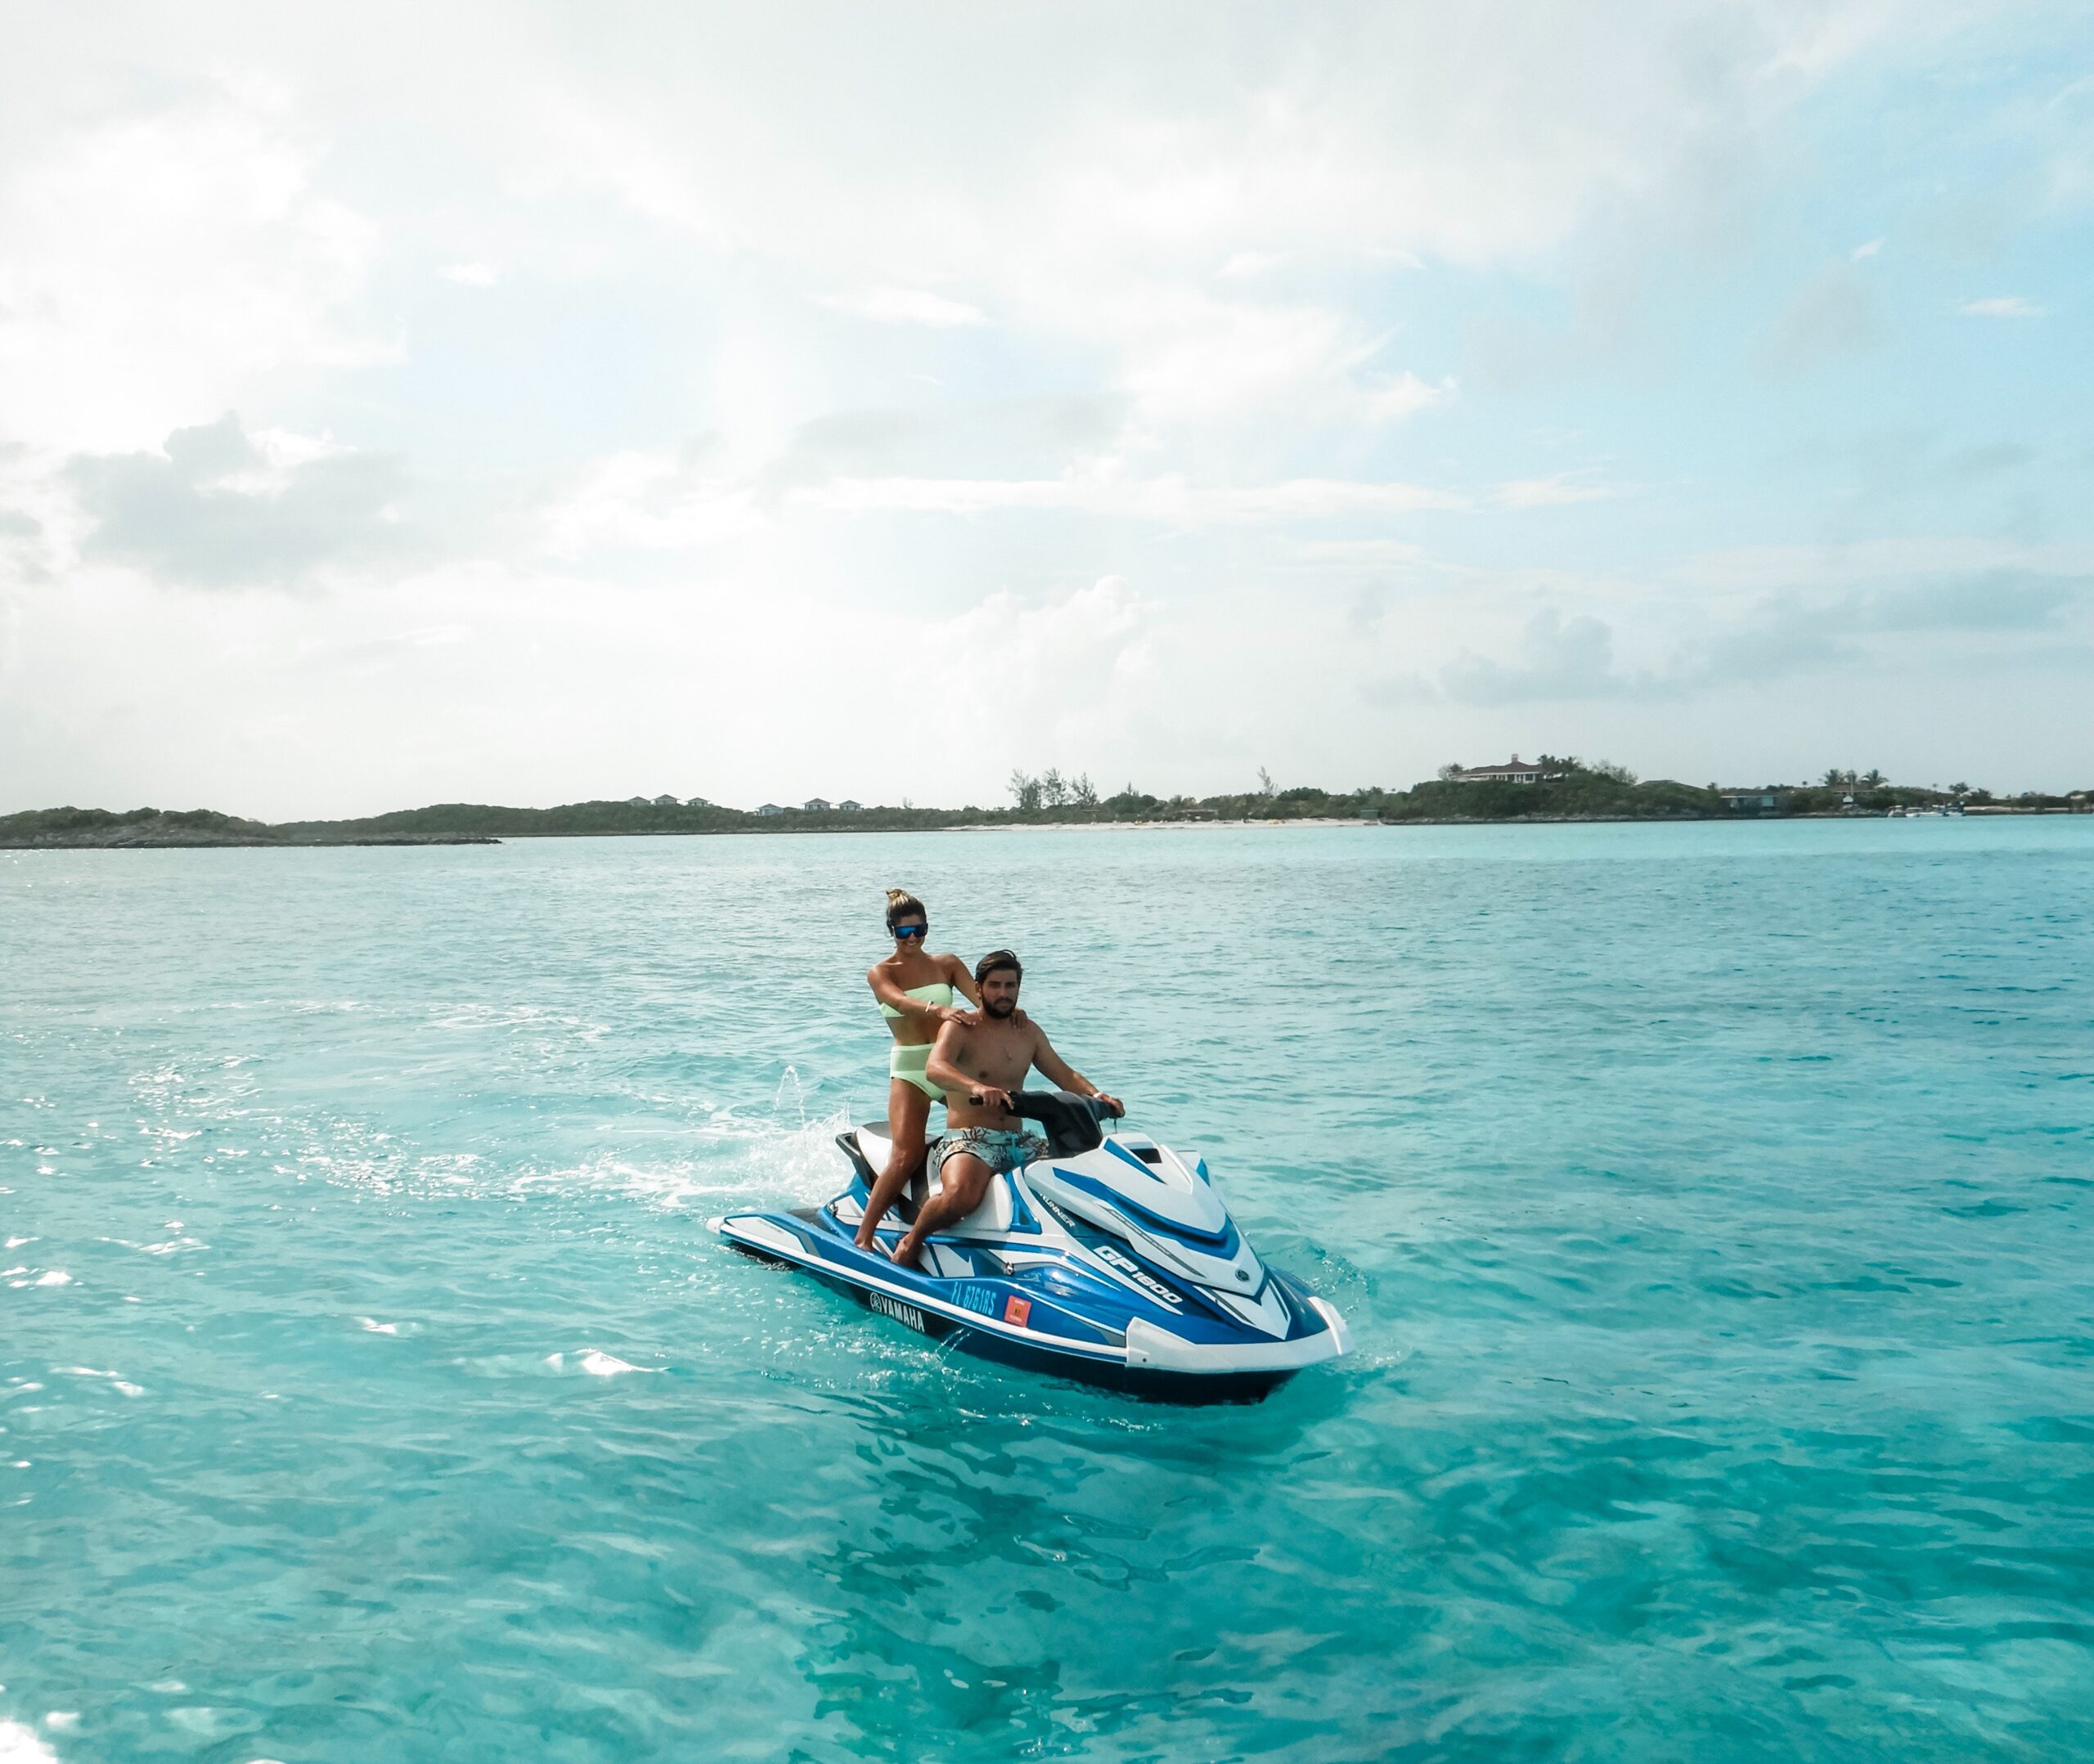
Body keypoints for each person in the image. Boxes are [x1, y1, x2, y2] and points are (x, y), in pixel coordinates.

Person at [892, 949, 1122, 1269]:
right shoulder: (961, 1026)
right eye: (995, 985)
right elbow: (935, 1068)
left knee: (1082, 1178)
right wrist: (976, 1087)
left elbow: (1064, 1074)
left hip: (1019, 1140)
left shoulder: (1027, 1031)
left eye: (1010, 986)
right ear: (978, 989)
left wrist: (1098, 1096)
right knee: (962, 1196)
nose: (1003, 993)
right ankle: (911, 1241)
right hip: (970, 1140)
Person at [856, 888, 981, 1250]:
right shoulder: (881, 972)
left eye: (919, 930)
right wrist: (937, 1010)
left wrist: (1010, 1014)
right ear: (891, 930)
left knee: (991, 1126)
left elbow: (982, 1001)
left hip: (947, 1063)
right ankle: (864, 1237)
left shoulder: (947, 964)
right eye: (904, 932)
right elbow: (898, 1001)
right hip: (911, 1070)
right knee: (905, 1154)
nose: (913, 938)